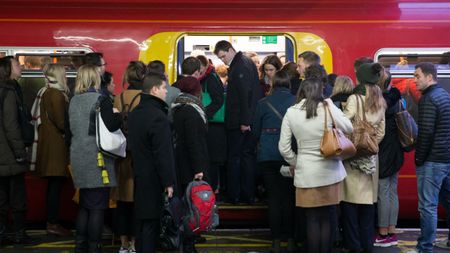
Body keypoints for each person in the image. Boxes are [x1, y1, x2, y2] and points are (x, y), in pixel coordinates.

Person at [279, 78, 353, 253]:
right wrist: (330, 103)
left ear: (302, 92)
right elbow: (348, 127)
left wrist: (297, 161)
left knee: (311, 219)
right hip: (330, 172)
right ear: (321, 91)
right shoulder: (327, 108)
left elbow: (283, 147)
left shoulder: (291, 112)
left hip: (306, 174)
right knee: (327, 218)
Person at [69, 64, 121, 253]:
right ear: (94, 78)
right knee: (98, 206)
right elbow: (112, 126)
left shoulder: (73, 100)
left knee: (84, 204)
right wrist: (119, 115)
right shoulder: (102, 100)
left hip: (78, 156)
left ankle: (80, 245)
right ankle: (94, 247)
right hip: (97, 159)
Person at [127, 73, 176, 253]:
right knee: (151, 226)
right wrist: (168, 182)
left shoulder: (135, 114)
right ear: (154, 89)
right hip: (154, 179)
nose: (166, 92)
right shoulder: (158, 116)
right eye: (164, 88)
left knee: (142, 224)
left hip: (139, 175)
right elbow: (163, 153)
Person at [341, 63, 386, 253]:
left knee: (350, 205)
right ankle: (368, 244)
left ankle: (354, 246)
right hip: (371, 158)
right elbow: (381, 132)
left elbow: (344, 123)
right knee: (368, 206)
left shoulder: (354, 98)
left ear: (360, 78)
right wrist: (370, 144)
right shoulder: (380, 101)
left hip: (353, 156)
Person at [407, 62, 450, 253]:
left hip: (432, 161)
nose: (414, 81)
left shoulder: (428, 99)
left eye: (417, 76)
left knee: (427, 206)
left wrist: (419, 159)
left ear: (430, 77)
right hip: (446, 159)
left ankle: (424, 248)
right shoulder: (445, 96)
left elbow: (426, 133)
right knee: (447, 201)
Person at [214, 40, 262, 204]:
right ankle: (247, 194)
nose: (223, 60)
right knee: (246, 157)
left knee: (236, 158)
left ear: (230, 50)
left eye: (223, 56)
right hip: (245, 120)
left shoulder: (239, 66)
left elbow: (244, 94)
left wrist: (244, 121)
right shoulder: (245, 62)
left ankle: (236, 195)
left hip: (239, 123)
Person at [253, 71, 296, 253]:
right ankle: (292, 239)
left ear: (273, 84)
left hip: (268, 155)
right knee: (289, 198)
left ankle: (276, 240)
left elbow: (255, 131)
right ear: (288, 84)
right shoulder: (296, 103)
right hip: (289, 156)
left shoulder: (263, 103)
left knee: (273, 199)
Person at [0, 56, 39, 247]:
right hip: (9, 155)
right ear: (8, 70)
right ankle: (18, 234)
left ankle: (3, 234)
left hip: (2, 154)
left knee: (2, 199)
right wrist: (19, 151)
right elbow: (11, 125)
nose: (20, 66)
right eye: (16, 64)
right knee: (17, 198)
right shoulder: (9, 91)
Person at [32, 63, 72, 237]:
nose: (66, 76)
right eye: (64, 73)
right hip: (56, 149)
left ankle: (52, 221)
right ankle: (53, 223)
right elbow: (61, 122)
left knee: (52, 188)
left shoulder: (46, 92)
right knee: (55, 188)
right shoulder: (56, 94)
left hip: (49, 146)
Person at [171, 75, 209, 253]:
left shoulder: (178, 108)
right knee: (190, 207)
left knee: (185, 205)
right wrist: (199, 168)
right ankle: (188, 244)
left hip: (181, 163)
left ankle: (186, 241)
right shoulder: (191, 112)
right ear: (196, 91)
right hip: (190, 166)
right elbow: (193, 142)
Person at [112, 61, 146, 253]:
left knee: (121, 202)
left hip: (121, 156)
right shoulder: (145, 98)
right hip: (139, 157)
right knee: (136, 202)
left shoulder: (119, 98)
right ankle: (134, 243)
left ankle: (123, 243)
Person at [374, 69, 404, 247]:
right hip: (397, 150)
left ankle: (383, 232)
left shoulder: (380, 102)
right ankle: (392, 228)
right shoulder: (398, 99)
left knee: (383, 191)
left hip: (384, 150)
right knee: (392, 190)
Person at [196, 55, 226, 193]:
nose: (198, 72)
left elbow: (218, 100)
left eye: (200, 69)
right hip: (210, 123)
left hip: (214, 125)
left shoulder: (211, 79)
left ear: (205, 66)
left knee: (212, 160)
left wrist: (205, 113)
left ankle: (213, 189)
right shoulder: (207, 78)